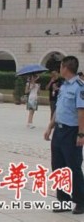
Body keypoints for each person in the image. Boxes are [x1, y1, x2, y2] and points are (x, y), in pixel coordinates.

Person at [44, 56, 84, 214]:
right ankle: (63, 200)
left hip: (72, 131)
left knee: (73, 167)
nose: (59, 69)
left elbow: (82, 112)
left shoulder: (79, 87)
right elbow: (58, 109)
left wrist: (81, 134)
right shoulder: (64, 86)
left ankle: (80, 201)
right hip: (59, 131)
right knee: (58, 167)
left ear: (65, 68)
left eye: (60, 66)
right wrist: (50, 127)